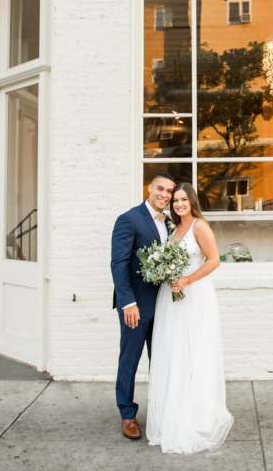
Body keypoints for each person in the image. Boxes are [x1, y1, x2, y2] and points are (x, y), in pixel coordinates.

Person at [146, 182, 234, 453]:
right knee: (173, 354)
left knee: (194, 353)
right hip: (171, 298)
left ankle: (196, 418)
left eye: (184, 200)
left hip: (195, 297)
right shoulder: (174, 229)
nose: (179, 204)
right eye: (176, 201)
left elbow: (214, 260)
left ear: (192, 202)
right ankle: (170, 414)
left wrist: (187, 279)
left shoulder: (199, 226)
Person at [111, 172, 176, 440]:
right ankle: (127, 414)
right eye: (160, 189)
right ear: (149, 188)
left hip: (163, 304)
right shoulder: (129, 219)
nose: (165, 195)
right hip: (136, 306)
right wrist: (128, 302)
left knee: (161, 360)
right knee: (130, 359)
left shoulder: (170, 223)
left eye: (169, 192)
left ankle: (161, 411)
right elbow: (119, 263)